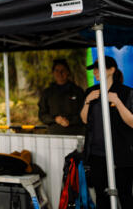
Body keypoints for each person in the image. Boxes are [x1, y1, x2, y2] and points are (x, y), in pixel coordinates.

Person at [80, 56, 133, 208]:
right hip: (97, 155)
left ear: (111, 70)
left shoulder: (125, 92)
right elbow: (84, 119)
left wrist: (117, 102)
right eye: (94, 69)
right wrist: (87, 101)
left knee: (125, 195)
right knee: (101, 197)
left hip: (121, 155)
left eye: (99, 68)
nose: (95, 71)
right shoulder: (91, 91)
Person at [38, 59, 85, 135]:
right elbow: (42, 115)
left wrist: (70, 121)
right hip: (55, 134)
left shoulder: (78, 91)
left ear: (68, 72)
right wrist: (55, 119)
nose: (60, 73)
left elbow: (85, 113)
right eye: (57, 71)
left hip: (76, 133)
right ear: (53, 73)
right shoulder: (47, 93)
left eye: (63, 70)